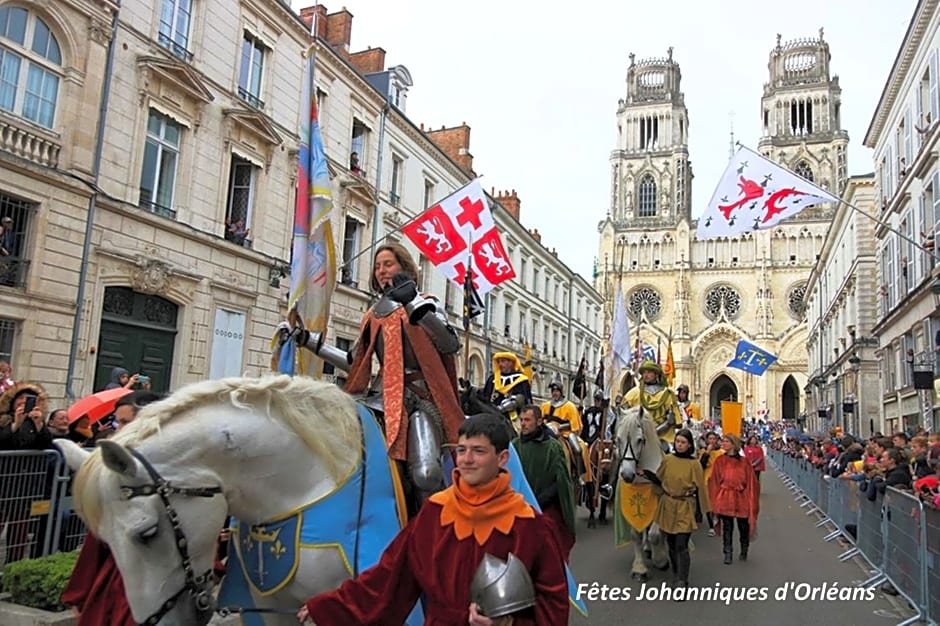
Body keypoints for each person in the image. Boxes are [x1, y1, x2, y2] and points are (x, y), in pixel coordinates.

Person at [296, 414, 570, 625]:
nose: (467, 460)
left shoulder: (529, 524)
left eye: (479, 451)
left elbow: (554, 604)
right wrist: (331, 607)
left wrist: (509, 623)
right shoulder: (435, 512)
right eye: (461, 450)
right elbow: (390, 577)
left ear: (502, 458)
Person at [294, 242, 465, 510]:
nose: (382, 271)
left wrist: (414, 304)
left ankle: (433, 528)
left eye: (388, 264)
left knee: (425, 473)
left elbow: (450, 344)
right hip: (379, 398)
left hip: (419, 399)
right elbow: (355, 362)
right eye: (377, 267)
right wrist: (311, 343)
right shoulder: (373, 315)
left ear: (404, 267)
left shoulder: (426, 302)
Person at [61, 390, 166, 626]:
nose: (119, 430)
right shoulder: (118, 470)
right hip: (117, 579)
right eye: (118, 422)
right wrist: (82, 593)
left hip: (159, 583)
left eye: (126, 423)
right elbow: (98, 537)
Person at [640, 428, 710, 595]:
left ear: (689, 445)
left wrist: (702, 513)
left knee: (681, 545)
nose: (679, 445)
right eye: (677, 442)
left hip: (685, 505)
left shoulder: (694, 464)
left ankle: (683, 581)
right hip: (668, 505)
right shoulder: (668, 460)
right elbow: (660, 479)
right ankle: (676, 573)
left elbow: (700, 489)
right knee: (671, 544)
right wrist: (648, 474)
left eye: (683, 442)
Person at [512, 404, 576, 561]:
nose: (523, 424)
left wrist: (539, 501)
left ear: (539, 421)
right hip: (519, 509)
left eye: (527, 420)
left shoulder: (553, 447)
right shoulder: (514, 446)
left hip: (546, 510)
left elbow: (560, 481)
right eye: (521, 420)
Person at [708, 434, 760, 565]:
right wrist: (715, 498)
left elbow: (751, 481)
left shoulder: (744, 462)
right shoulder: (720, 460)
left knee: (743, 526)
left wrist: (750, 498)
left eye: (726, 441)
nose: (723, 443)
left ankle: (744, 548)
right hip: (726, 497)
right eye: (723, 441)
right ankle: (728, 552)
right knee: (727, 527)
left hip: (741, 497)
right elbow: (714, 480)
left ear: (733, 444)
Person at [624, 360, 683, 450]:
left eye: (649, 372)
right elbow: (623, 416)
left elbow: (671, 421)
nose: (646, 375)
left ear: (656, 374)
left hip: (661, 439)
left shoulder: (667, 394)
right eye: (644, 372)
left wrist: (652, 433)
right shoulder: (633, 393)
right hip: (637, 438)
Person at [480, 351, 532, 431]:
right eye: (499, 362)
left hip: (512, 418)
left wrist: (503, 408)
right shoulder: (492, 379)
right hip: (490, 416)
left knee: (518, 432)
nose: (500, 364)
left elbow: (522, 399)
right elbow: (485, 396)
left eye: (503, 361)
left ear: (511, 363)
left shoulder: (521, 379)